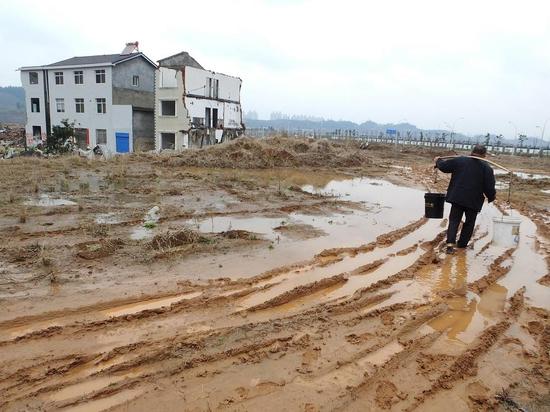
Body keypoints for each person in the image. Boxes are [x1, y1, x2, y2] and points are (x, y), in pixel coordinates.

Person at [434, 144, 496, 254]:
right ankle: (462, 245)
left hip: (457, 197)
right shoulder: (487, 168)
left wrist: (437, 161)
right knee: (469, 223)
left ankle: (449, 245)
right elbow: (489, 188)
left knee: (454, 220)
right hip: (473, 201)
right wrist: (491, 197)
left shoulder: (460, 160)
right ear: (484, 155)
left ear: (472, 152)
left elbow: (444, 167)